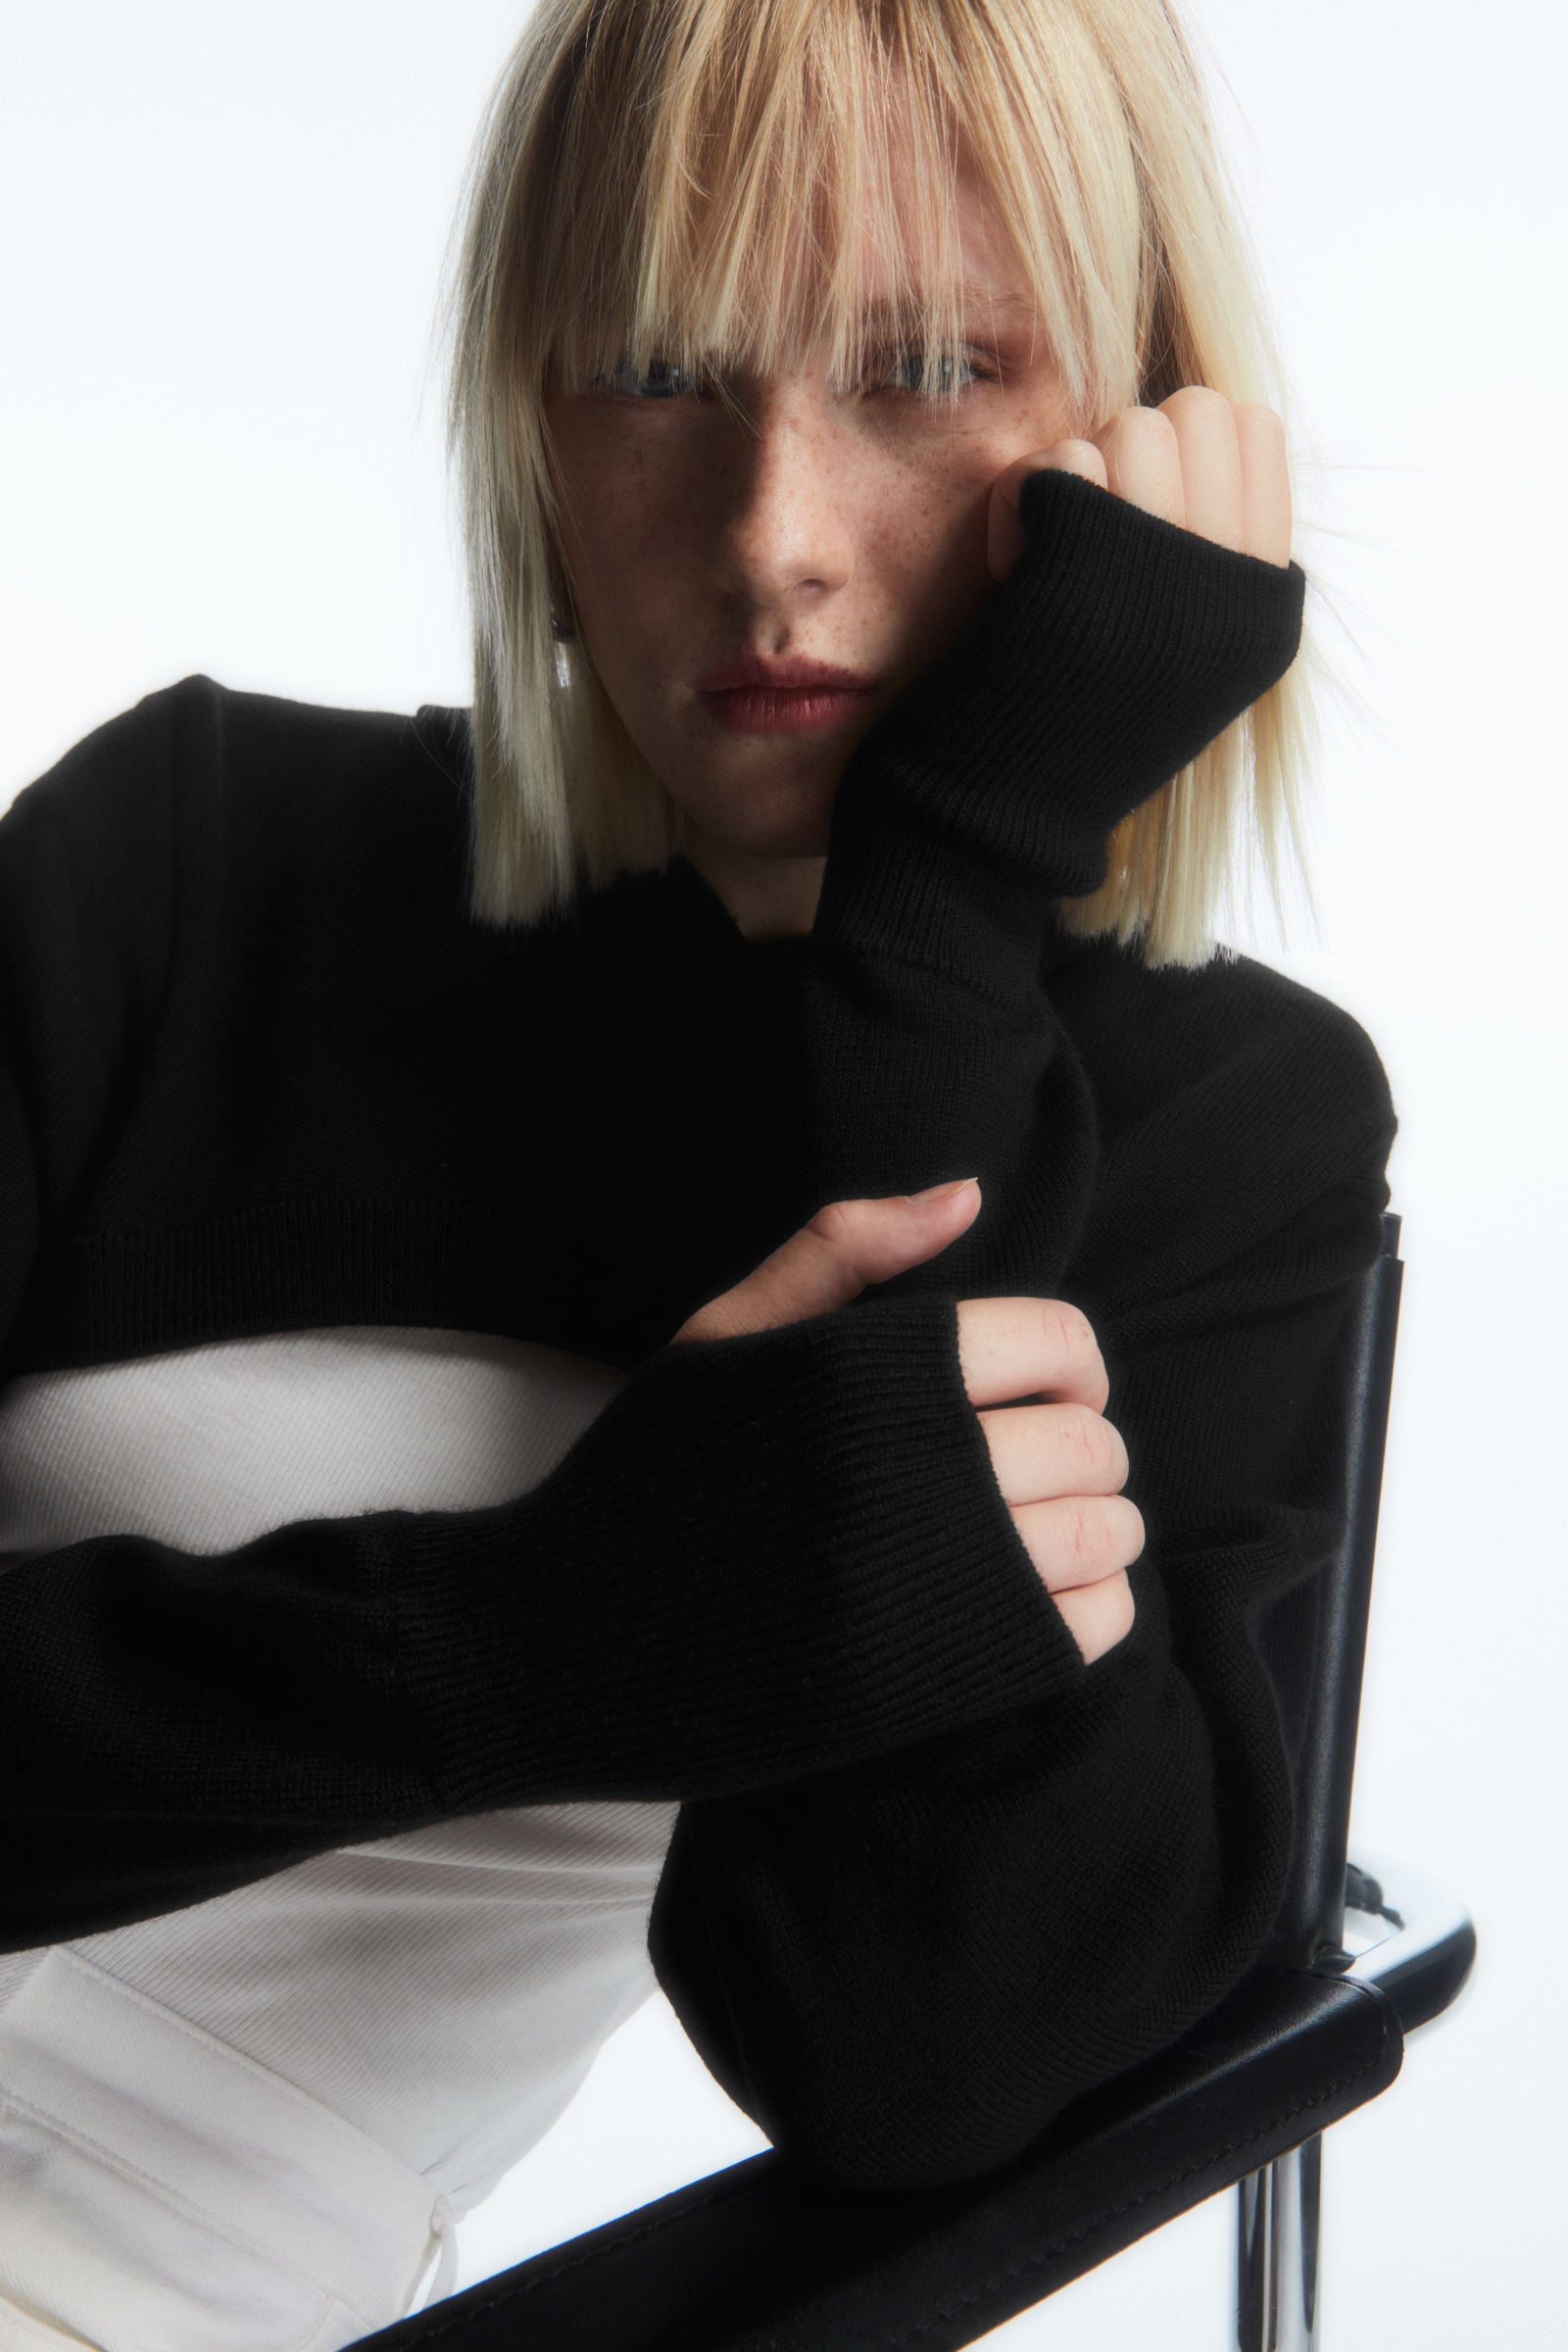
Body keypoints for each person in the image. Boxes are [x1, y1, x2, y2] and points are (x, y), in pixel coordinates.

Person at [0, 0, 1395, 2345]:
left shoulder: (1218, 1133)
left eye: (926, 370)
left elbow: (911, 2055)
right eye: (655, 371)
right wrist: (550, 1638)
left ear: (1147, 437)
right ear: (532, 427)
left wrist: (946, 898)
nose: (773, 537)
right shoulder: (200, 852)